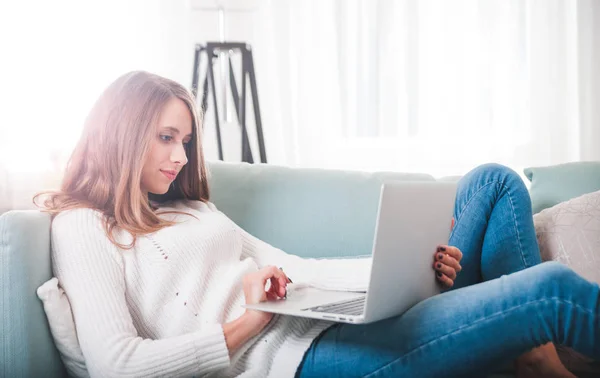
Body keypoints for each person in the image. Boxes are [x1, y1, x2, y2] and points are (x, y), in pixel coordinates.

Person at [35, 71, 598, 378]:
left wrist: (402, 270)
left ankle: (530, 355)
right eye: (166, 138)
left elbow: (295, 267)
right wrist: (249, 324)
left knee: (492, 182)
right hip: (300, 361)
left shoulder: (189, 209)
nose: (181, 155)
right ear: (120, 132)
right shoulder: (83, 226)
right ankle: (536, 355)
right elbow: (116, 365)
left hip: (327, 326)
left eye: (184, 140)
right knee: (553, 292)